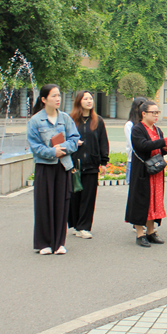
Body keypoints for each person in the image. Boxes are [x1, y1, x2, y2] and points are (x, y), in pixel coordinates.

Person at [26, 84, 80, 255]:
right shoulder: (35, 121)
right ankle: (44, 243)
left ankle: (59, 243)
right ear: (43, 99)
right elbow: (35, 147)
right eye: (54, 96)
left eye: (59, 95)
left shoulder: (65, 118)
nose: (58, 99)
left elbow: (75, 139)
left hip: (63, 166)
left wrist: (62, 149)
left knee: (61, 203)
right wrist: (52, 152)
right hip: (45, 167)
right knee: (44, 204)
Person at [125, 101, 167, 248]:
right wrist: (162, 142)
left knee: (154, 201)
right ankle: (140, 234)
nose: (156, 115)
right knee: (141, 200)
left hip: (156, 171)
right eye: (153, 112)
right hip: (142, 171)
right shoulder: (137, 129)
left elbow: (160, 149)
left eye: (157, 112)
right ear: (144, 113)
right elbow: (142, 146)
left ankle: (151, 232)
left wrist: (166, 147)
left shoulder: (157, 130)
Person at [68, 91, 110, 239]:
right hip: (74, 164)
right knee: (74, 196)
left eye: (91, 98)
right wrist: (73, 144)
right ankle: (74, 224)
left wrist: (104, 161)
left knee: (88, 197)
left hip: (91, 165)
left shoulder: (97, 120)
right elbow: (61, 138)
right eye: (86, 98)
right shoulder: (70, 119)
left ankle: (84, 227)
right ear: (79, 101)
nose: (89, 101)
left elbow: (103, 141)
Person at [123, 97, 147, 182]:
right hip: (133, 160)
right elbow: (133, 145)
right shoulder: (129, 125)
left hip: (146, 161)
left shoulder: (148, 125)